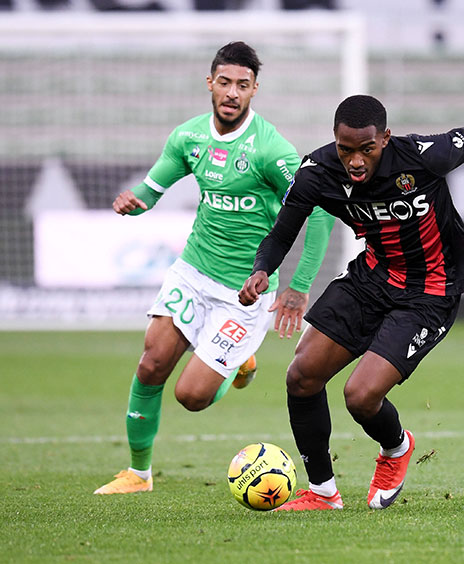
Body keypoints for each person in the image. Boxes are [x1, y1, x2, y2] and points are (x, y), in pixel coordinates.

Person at [239, 94, 464, 510]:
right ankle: (322, 492)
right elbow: (282, 233)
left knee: (359, 396)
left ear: (386, 139)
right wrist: (262, 269)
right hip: (373, 277)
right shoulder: (316, 173)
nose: (355, 160)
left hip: (431, 290)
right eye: (345, 149)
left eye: (366, 149)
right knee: (301, 376)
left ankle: (395, 447)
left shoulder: (423, 156)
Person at [94, 42, 334, 495]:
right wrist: (134, 203)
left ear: (254, 90)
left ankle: (239, 360)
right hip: (192, 271)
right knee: (151, 365)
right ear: (210, 82)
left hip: (247, 292)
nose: (231, 92)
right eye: (224, 82)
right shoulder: (188, 137)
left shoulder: (271, 151)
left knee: (192, 397)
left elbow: (318, 211)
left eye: (242, 85)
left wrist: (299, 287)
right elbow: (151, 188)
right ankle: (138, 474)